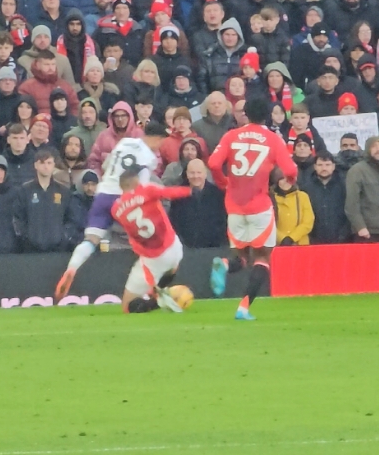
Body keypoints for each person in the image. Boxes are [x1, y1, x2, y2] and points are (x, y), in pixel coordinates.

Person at [55, 121, 170, 301]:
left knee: (91, 239)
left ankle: (72, 268)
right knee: (151, 242)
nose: (160, 147)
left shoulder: (124, 142)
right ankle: (150, 291)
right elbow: (140, 185)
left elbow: (107, 164)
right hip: (122, 198)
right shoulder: (149, 157)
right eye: (161, 142)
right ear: (156, 138)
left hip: (103, 194)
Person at [207, 96, 298, 321]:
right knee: (263, 258)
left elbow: (213, 164)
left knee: (242, 256)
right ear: (267, 115)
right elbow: (290, 168)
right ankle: (243, 308)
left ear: (245, 112)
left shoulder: (231, 135)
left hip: (235, 206)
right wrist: (290, 179)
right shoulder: (272, 139)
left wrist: (222, 182)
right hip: (259, 205)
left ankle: (226, 264)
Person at [111, 167, 192, 313]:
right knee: (172, 267)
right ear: (136, 182)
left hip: (152, 258)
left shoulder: (116, 209)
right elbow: (170, 193)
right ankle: (161, 292)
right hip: (173, 247)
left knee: (127, 307)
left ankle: (157, 302)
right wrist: (191, 190)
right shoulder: (147, 190)